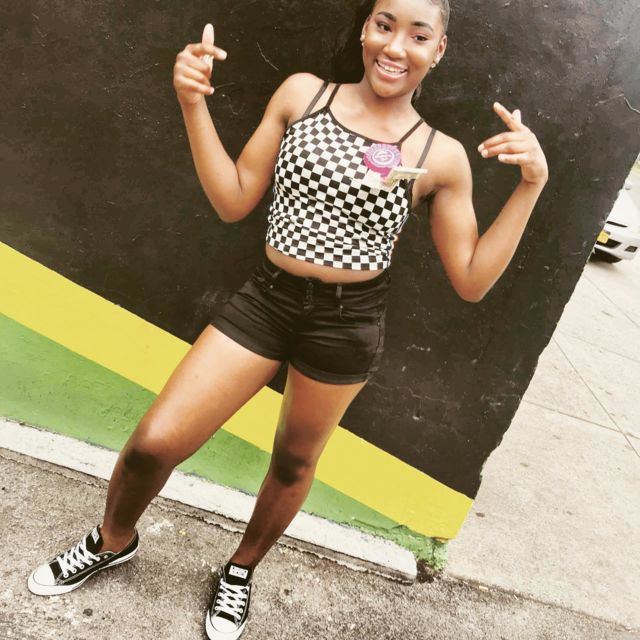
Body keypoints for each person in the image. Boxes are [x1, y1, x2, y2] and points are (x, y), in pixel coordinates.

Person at [27, 0, 548, 638]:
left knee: (294, 463)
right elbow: (233, 199)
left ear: (437, 50)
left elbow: (470, 279)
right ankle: (113, 539)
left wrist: (530, 186)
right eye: (385, 25)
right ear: (366, 28)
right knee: (153, 444)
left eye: (418, 35)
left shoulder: (441, 156)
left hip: (347, 324)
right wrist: (192, 104)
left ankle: (240, 570)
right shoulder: (304, 95)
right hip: (267, 302)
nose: (395, 47)